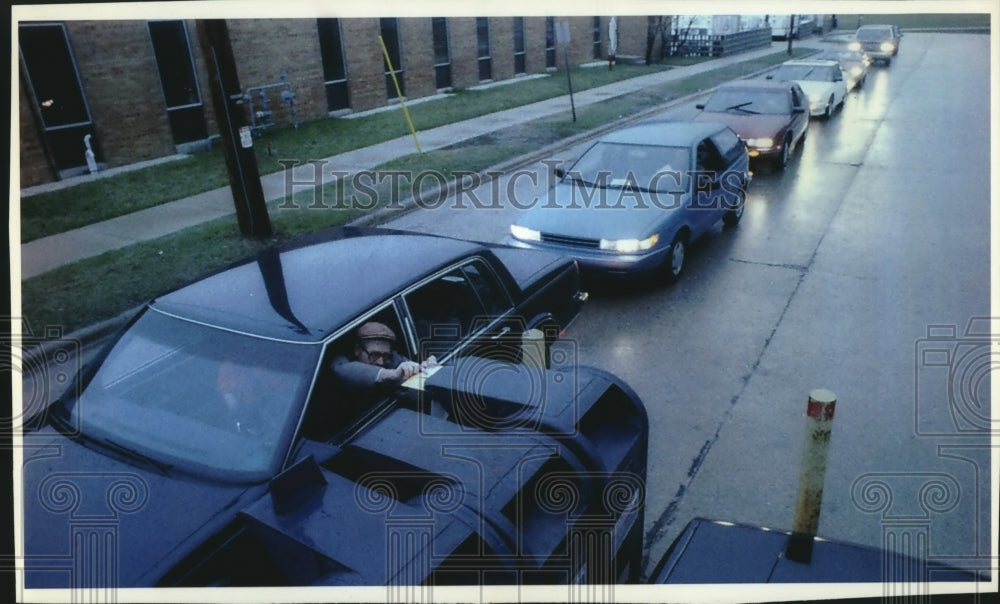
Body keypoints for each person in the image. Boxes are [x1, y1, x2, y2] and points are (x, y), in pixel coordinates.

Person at [331, 321, 437, 389]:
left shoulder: (391, 358)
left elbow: (408, 368)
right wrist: (391, 374)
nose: (381, 362)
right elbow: (340, 369)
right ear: (357, 350)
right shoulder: (341, 361)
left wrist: (426, 370)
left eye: (385, 355)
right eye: (374, 355)